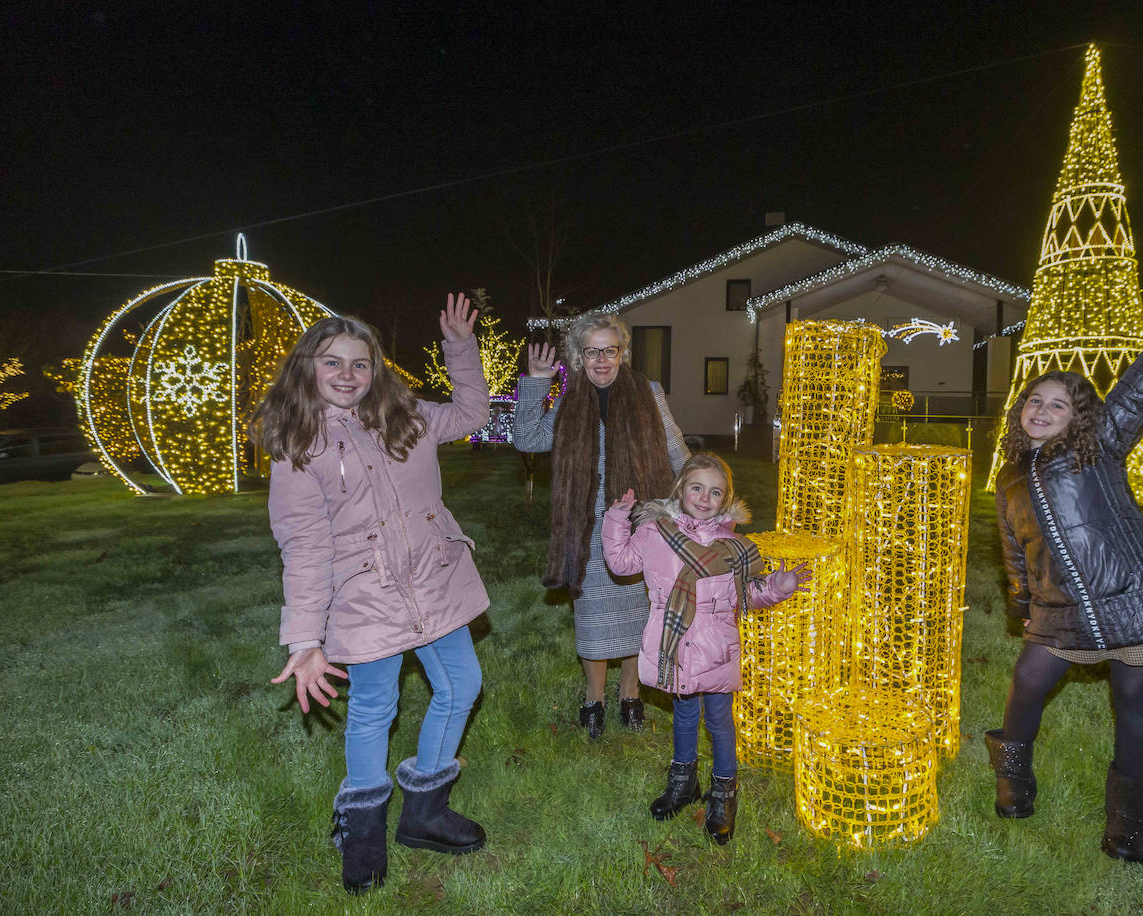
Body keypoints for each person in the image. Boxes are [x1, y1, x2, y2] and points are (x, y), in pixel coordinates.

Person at [253, 295, 491, 894]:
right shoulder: (297, 448)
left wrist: (461, 348)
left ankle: (425, 812)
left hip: (434, 579)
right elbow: (303, 546)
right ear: (307, 368)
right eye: (332, 363)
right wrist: (305, 638)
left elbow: (471, 413)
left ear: (376, 370)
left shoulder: (405, 415)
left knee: (462, 684)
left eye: (360, 364)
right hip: (366, 597)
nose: (346, 375)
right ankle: (362, 832)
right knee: (373, 709)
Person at [987, 298, 1143, 864]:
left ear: (1079, 418)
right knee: (1027, 680)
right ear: (1021, 411)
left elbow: (1137, 389)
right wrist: (1022, 602)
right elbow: (1014, 550)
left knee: (1132, 697)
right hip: (1056, 606)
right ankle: (1014, 783)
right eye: (1034, 401)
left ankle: (1127, 826)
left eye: (1058, 404)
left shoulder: (1095, 450)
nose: (1042, 410)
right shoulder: (1010, 478)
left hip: (1134, 602)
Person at [601, 452, 810, 844]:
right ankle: (683, 783)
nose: (704, 497)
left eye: (715, 492)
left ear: (725, 499)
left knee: (719, 722)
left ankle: (724, 793)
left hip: (716, 650)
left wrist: (777, 588)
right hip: (677, 646)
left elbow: (746, 595)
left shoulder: (734, 547)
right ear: (681, 489)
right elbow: (621, 562)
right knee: (683, 716)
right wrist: (616, 520)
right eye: (696, 487)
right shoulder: (655, 532)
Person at [511, 313, 689, 738]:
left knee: (639, 612)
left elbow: (676, 449)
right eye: (593, 351)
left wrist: (700, 501)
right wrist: (536, 382)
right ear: (578, 356)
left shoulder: (650, 392)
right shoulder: (571, 401)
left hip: (641, 523)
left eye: (611, 350)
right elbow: (526, 438)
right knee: (592, 614)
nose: (603, 360)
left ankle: (630, 695)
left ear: (622, 353)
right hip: (587, 526)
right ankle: (594, 698)